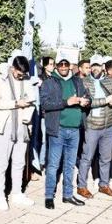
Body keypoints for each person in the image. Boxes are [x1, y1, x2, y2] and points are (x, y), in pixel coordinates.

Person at [41, 56, 89, 209]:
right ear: (56, 66)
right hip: (58, 129)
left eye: (65, 64)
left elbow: (88, 97)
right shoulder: (49, 82)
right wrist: (65, 102)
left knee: (69, 165)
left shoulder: (77, 81)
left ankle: (68, 195)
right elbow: (45, 104)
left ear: (70, 66)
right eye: (60, 64)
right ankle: (49, 196)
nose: (63, 67)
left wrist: (86, 101)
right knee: (53, 164)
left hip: (75, 129)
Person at [0, 56, 36, 210]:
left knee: (19, 162)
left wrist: (27, 112)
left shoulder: (27, 81)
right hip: (5, 125)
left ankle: (17, 193)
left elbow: (32, 102)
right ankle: (0, 195)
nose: (20, 76)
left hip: (22, 126)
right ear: (12, 68)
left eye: (23, 74)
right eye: (18, 73)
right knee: (2, 162)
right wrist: (15, 104)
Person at [77, 60, 112, 198]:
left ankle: (104, 185)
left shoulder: (111, 81)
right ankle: (82, 186)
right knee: (87, 158)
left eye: (97, 66)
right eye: (92, 66)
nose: (95, 69)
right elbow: (87, 103)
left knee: (106, 158)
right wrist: (106, 100)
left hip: (108, 126)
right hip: (92, 126)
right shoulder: (84, 82)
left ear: (102, 67)